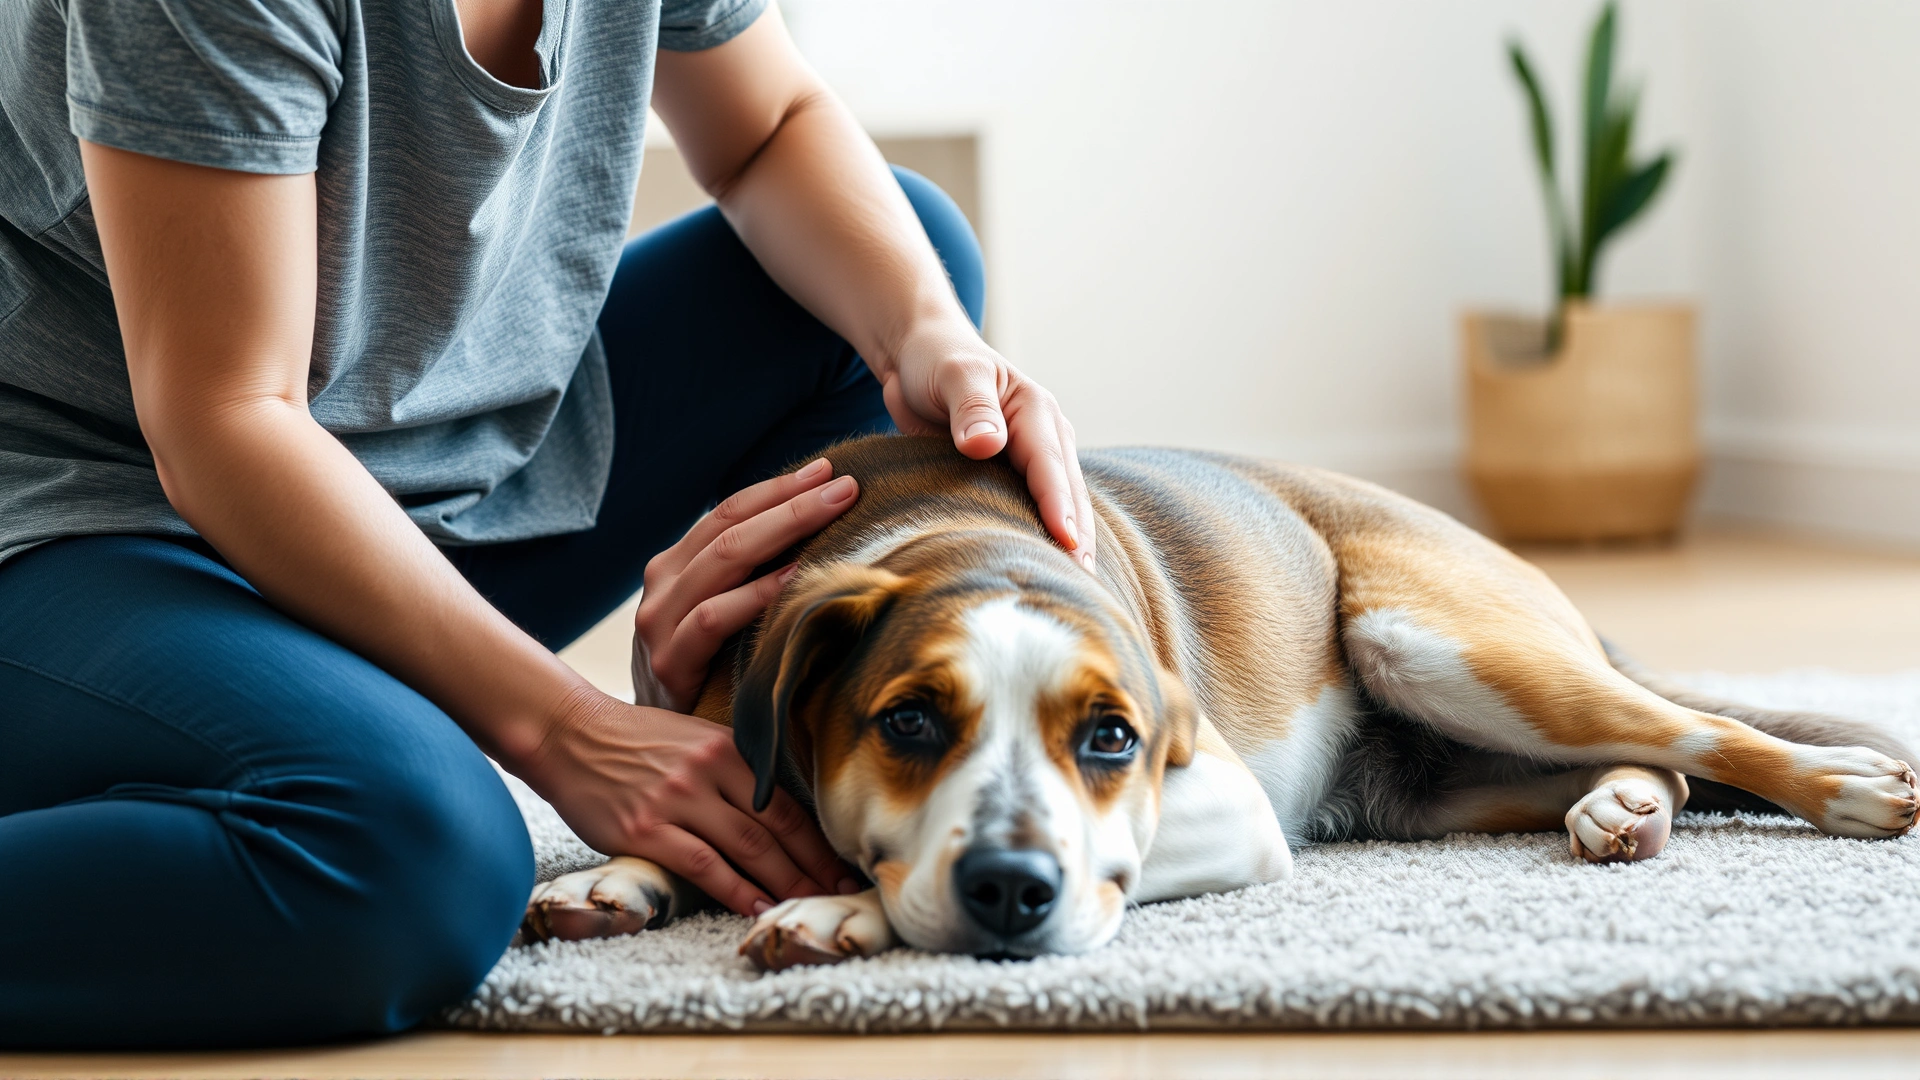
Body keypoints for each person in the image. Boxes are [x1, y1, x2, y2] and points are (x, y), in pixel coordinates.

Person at [0, 0, 1092, 1048]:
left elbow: (768, 128)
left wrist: (931, 339)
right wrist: (565, 726)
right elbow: (224, 421)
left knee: (903, 268)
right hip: (90, 517)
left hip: (440, 475)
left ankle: (693, 729)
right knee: (413, 858)